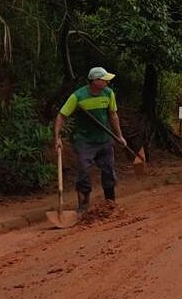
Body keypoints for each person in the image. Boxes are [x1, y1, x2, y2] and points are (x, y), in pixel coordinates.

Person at [53, 66, 127, 213]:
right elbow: (62, 116)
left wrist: (119, 136)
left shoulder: (108, 94)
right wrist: (57, 137)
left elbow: (113, 115)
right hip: (85, 140)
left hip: (105, 139)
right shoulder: (78, 96)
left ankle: (110, 202)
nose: (107, 82)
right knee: (83, 171)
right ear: (95, 81)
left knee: (108, 170)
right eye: (104, 79)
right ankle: (83, 206)